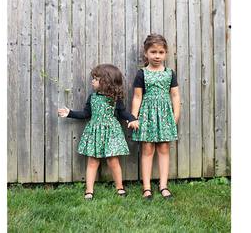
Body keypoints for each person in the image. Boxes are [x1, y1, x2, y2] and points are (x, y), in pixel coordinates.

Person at [58, 64, 139, 199]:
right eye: (93, 78)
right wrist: (70, 113)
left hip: (112, 133)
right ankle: (89, 190)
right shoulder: (92, 98)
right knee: (92, 162)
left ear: (107, 82)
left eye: (96, 79)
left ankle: (120, 187)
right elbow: (85, 114)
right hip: (95, 132)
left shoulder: (115, 99)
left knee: (113, 161)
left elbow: (123, 113)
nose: (92, 81)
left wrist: (132, 119)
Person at [131, 34, 180, 200]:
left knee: (164, 149)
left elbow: (175, 97)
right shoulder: (141, 74)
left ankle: (163, 186)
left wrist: (175, 118)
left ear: (165, 53)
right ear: (146, 53)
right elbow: (137, 98)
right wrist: (133, 118)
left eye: (160, 52)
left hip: (165, 117)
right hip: (147, 117)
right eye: (153, 52)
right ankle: (146, 187)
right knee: (147, 150)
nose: (157, 56)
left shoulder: (169, 73)